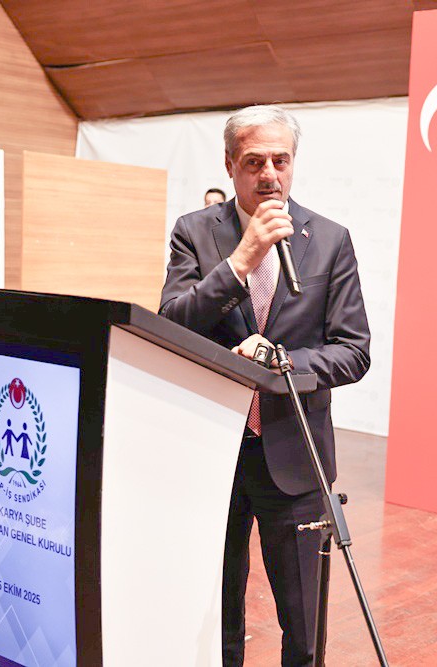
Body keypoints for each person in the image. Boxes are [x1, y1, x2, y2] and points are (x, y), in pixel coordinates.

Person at [159, 105, 370, 666]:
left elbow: (353, 352)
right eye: (254, 162)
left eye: (281, 160)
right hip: (213, 451)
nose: (270, 174)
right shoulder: (194, 233)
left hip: (295, 456)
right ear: (230, 164)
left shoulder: (330, 240)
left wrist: (281, 362)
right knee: (214, 616)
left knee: (303, 627)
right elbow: (171, 325)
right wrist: (241, 260)